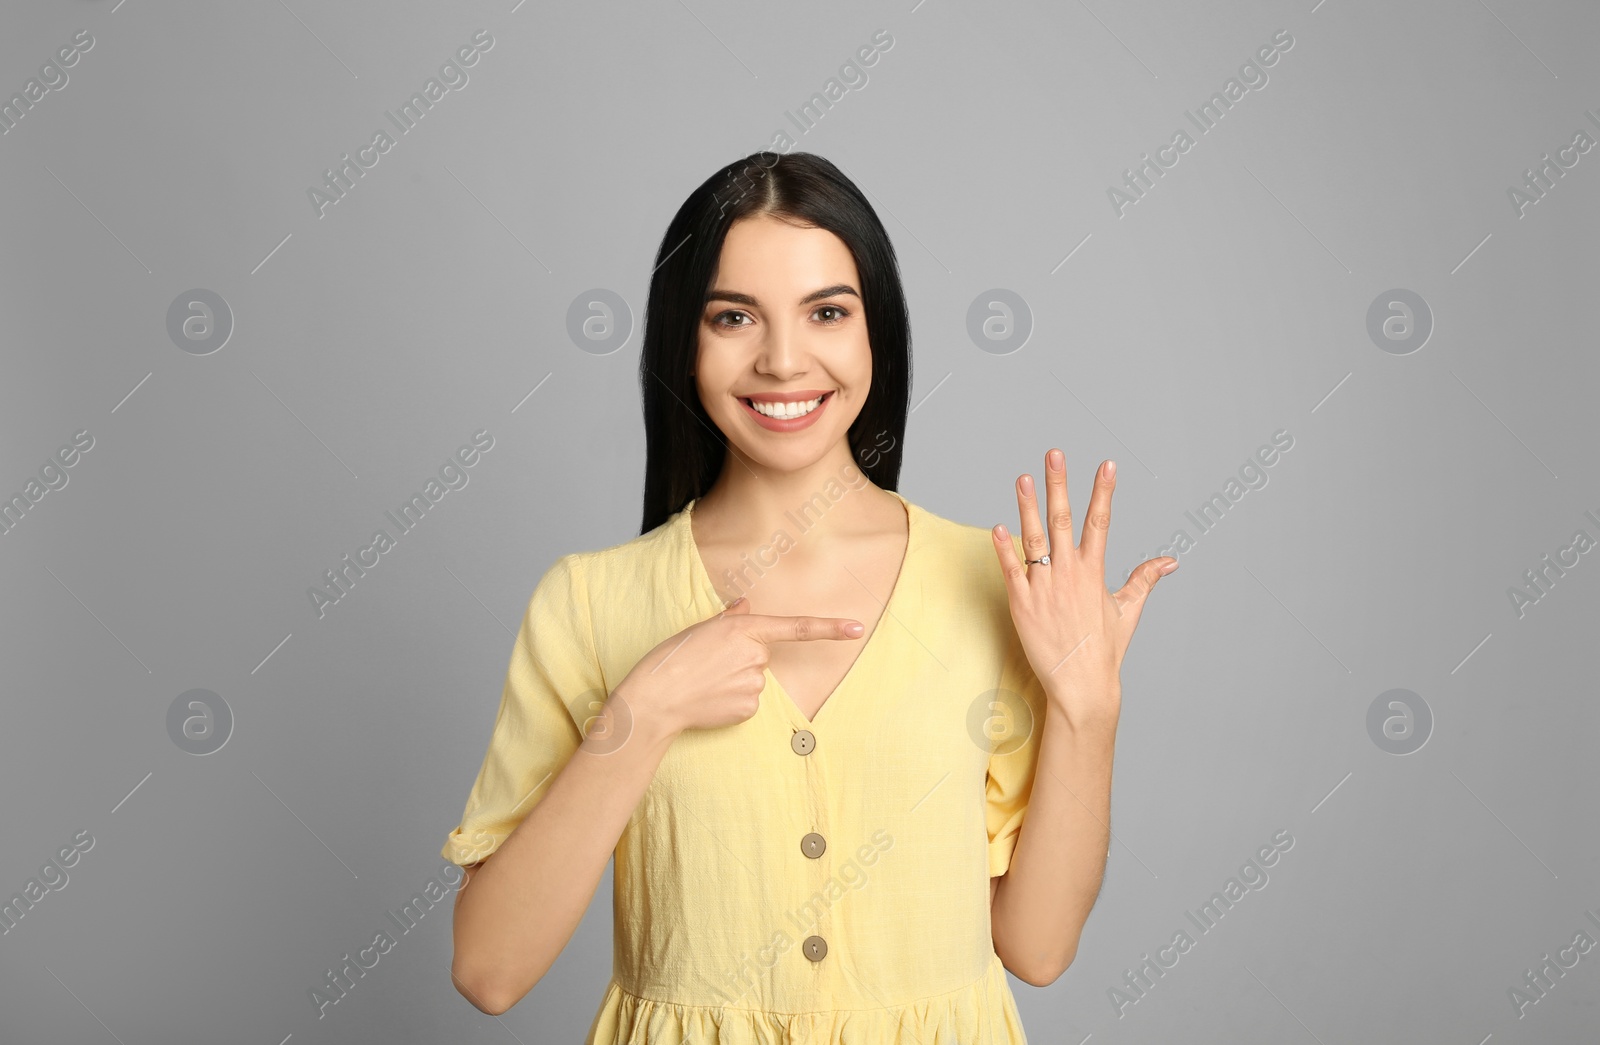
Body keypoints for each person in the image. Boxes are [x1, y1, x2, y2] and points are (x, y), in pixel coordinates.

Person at [441, 151, 1177, 1043]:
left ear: (878, 335)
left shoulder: (1001, 587)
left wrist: (1088, 707)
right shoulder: (590, 603)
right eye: (733, 316)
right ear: (685, 337)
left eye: (827, 311)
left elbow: (1038, 944)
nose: (783, 360)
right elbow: (489, 969)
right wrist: (646, 707)